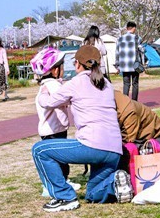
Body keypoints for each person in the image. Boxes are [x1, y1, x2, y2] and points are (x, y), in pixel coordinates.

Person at [32, 45, 123, 211]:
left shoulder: (76, 83)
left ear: (77, 64)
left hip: (93, 146)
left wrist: (44, 91)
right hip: (115, 151)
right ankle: (115, 182)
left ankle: (64, 197)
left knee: (40, 150)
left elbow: (48, 103)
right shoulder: (107, 84)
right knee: (93, 194)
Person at [31, 47, 75, 198]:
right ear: (55, 70)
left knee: (54, 160)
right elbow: (65, 99)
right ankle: (55, 185)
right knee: (59, 160)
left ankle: (58, 182)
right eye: (62, 67)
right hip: (54, 129)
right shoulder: (53, 85)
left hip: (48, 129)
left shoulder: (46, 84)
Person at [115, 90, 160, 166]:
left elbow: (127, 141)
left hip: (153, 138)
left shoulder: (127, 111)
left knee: (125, 154)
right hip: (136, 137)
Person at [115, 22, 143, 101]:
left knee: (126, 84)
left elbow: (117, 52)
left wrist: (117, 65)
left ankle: (125, 103)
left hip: (124, 65)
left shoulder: (120, 39)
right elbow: (142, 50)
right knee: (135, 84)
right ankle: (134, 103)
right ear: (134, 28)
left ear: (127, 28)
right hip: (135, 65)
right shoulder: (137, 38)